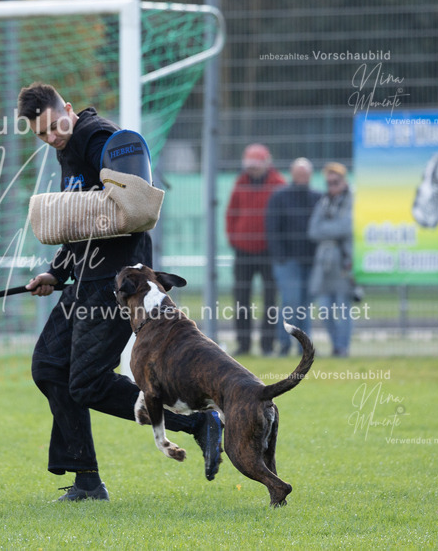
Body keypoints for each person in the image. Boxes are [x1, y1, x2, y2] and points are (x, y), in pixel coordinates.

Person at [17, 82, 223, 503]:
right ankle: (87, 480)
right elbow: (82, 224)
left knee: (87, 383)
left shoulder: (100, 139)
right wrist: (56, 273)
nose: (51, 137)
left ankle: (199, 425)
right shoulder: (67, 151)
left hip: (116, 288)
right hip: (84, 281)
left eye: (55, 127)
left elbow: (134, 209)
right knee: (49, 367)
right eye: (42, 135)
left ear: (68, 110)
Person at [225, 144, 285, 355]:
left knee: (270, 299)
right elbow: (231, 214)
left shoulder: (278, 184)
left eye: (255, 165)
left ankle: (267, 345)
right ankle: (244, 345)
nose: (251, 169)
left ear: (266, 164)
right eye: (249, 165)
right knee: (241, 298)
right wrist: (234, 239)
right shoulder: (239, 183)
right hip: (243, 251)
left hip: (269, 252)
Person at [266, 158, 320, 356]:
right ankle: (285, 344)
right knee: (291, 302)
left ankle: (304, 348)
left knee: (305, 305)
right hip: (287, 261)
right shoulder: (279, 197)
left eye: (305, 174)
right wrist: (280, 257)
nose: (302, 177)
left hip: (311, 262)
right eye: (299, 173)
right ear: (292, 174)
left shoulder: (317, 197)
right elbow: (272, 229)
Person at [307, 162, 355, 357]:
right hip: (324, 265)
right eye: (329, 183)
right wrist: (333, 230)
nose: (332, 186)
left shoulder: (353, 201)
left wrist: (327, 229)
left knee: (344, 309)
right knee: (325, 309)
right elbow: (313, 231)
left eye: (336, 182)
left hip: (344, 262)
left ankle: (342, 348)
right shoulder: (323, 202)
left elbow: (348, 226)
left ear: (344, 181)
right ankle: (335, 345)